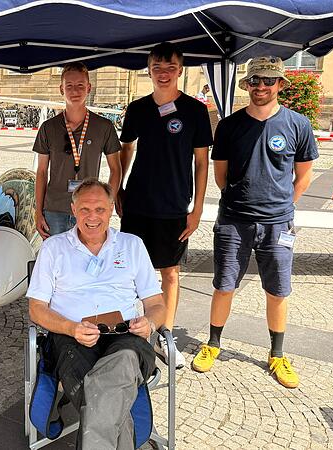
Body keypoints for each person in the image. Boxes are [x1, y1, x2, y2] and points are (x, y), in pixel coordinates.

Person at [191, 56, 318, 389]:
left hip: (278, 224)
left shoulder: (297, 125)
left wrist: (282, 204)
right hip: (234, 220)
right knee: (224, 285)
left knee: (277, 290)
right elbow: (221, 174)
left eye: (269, 81)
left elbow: (303, 176)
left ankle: (277, 354)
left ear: (280, 85)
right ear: (246, 84)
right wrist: (242, 198)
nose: (262, 86)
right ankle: (213, 344)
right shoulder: (230, 125)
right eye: (256, 80)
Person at [28, 178, 166, 449]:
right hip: (70, 337)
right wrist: (70, 328)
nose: (92, 217)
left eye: (100, 209)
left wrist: (149, 322)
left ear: (112, 208)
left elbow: (157, 304)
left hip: (126, 337)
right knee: (111, 399)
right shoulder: (54, 248)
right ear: (73, 209)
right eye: (85, 210)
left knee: (112, 374)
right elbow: (36, 309)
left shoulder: (132, 245)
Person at [118, 42, 212, 369]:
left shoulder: (195, 112)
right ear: (149, 70)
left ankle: (165, 335)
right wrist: (118, 188)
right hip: (138, 203)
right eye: (157, 67)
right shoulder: (138, 109)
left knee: (170, 272)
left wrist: (197, 208)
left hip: (174, 205)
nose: (163, 73)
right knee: (129, 271)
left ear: (180, 70)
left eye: (169, 67)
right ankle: (133, 329)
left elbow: (202, 163)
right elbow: (125, 150)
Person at [34, 62, 122, 238]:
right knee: (58, 262)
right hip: (55, 209)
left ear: (89, 88)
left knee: (89, 259)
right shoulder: (48, 127)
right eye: (70, 86)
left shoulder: (103, 126)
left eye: (80, 85)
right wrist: (38, 211)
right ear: (61, 89)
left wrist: (106, 204)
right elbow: (42, 172)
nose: (75, 91)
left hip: (90, 210)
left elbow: (116, 169)